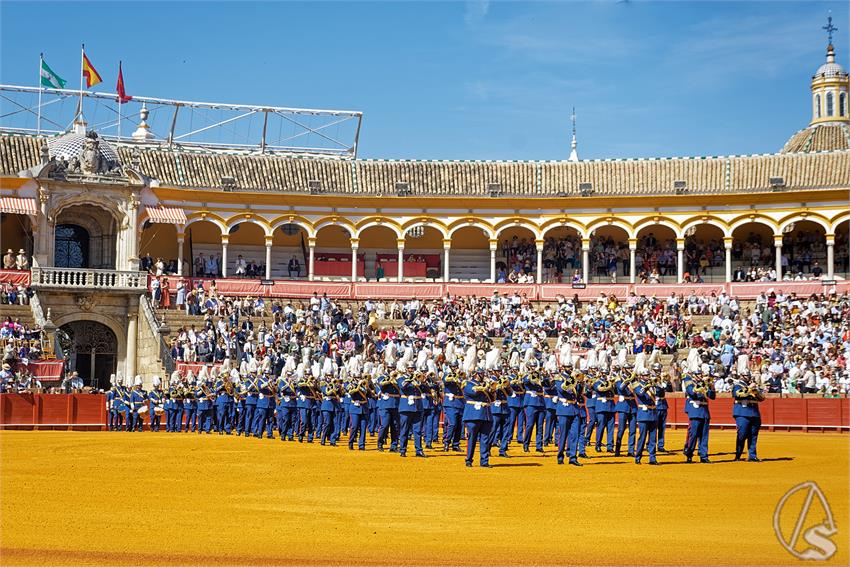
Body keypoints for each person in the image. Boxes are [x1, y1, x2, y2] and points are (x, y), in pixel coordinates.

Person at [683, 370, 715, 463]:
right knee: (693, 435)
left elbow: (712, 396)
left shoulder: (705, 384)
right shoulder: (690, 382)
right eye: (699, 375)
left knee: (704, 436)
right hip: (695, 411)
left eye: (702, 374)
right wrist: (702, 384)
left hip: (704, 411)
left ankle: (703, 456)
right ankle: (689, 453)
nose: (701, 376)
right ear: (695, 376)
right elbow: (692, 393)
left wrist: (711, 386)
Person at [462, 371, 493, 468]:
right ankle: (469, 459)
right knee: (472, 438)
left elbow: (492, 398)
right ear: (476, 374)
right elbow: (473, 392)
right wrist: (485, 387)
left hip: (485, 414)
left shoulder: (485, 385)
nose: (483, 375)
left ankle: (484, 461)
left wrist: (492, 389)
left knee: (485, 439)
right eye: (481, 374)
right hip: (473, 414)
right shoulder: (468, 383)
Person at [732, 372, 764, 462]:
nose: (748, 377)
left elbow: (762, 398)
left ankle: (752, 455)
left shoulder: (754, 386)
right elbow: (738, 394)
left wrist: (756, 390)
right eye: (746, 376)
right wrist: (750, 388)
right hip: (742, 413)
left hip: (754, 412)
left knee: (753, 435)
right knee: (742, 434)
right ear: (741, 376)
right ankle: (738, 454)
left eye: (749, 376)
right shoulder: (737, 385)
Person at [555, 372, 582, 466]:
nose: (569, 369)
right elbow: (563, 389)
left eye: (570, 367)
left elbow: (578, 393)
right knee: (563, 434)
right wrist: (571, 379)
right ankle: (560, 455)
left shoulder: (573, 378)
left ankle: (573, 457)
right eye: (567, 367)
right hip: (564, 409)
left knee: (575, 434)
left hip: (574, 409)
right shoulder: (559, 378)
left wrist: (579, 382)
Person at [632, 371, 660, 465]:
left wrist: (657, 384)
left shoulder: (652, 385)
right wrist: (647, 386)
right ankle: (638, 456)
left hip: (653, 413)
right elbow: (641, 394)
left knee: (653, 438)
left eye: (648, 375)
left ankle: (652, 458)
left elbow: (660, 393)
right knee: (642, 437)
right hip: (643, 414)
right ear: (641, 376)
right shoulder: (637, 385)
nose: (647, 377)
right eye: (645, 375)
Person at [397, 369, 426, 458]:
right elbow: (403, 386)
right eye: (409, 368)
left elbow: (423, 389)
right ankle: (402, 449)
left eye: (412, 368)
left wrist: (422, 380)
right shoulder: (401, 378)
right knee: (404, 429)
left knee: (417, 431)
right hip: (406, 407)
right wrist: (411, 378)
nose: (411, 370)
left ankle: (419, 450)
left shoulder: (417, 380)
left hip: (417, 407)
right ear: (406, 369)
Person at [614, 369, 637, 457]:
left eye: (631, 368)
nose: (630, 370)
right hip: (623, 406)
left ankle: (631, 450)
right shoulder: (619, 378)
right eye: (628, 368)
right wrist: (629, 380)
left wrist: (633, 379)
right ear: (623, 369)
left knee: (633, 430)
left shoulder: (633, 378)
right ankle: (617, 450)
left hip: (633, 406)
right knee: (621, 429)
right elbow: (621, 387)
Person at [377, 373, 400, 452]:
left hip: (395, 404)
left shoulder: (398, 379)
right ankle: (380, 443)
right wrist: (390, 378)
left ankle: (394, 445)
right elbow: (381, 385)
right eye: (390, 368)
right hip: (385, 405)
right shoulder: (382, 377)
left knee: (395, 426)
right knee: (385, 425)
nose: (392, 369)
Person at [442, 371, 464, 452]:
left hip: (460, 403)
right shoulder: (447, 375)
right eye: (453, 367)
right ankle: (447, 442)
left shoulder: (461, 377)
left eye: (456, 367)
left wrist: (459, 378)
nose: (455, 368)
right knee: (452, 424)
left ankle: (455, 444)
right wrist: (453, 377)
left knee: (459, 425)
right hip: (450, 404)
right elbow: (445, 380)